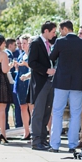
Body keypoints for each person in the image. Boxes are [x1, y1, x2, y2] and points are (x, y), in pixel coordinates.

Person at [47, 21, 82, 153]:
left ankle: (55, 145)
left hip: (61, 81)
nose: (60, 33)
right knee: (76, 113)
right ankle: (72, 145)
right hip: (77, 82)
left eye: (61, 30)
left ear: (65, 29)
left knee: (57, 112)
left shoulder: (60, 42)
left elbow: (52, 57)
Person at [29, 22, 57, 151]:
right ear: (46, 31)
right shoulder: (36, 43)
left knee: (46, 111)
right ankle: (35, 141)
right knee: (39, 112)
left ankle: (42, 139)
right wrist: (46, 70)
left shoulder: (49, 43)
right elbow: (32, 62)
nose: (54, 34)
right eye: (53, 32)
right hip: (41, 82)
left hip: (50, 81)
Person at [14, 34, 32, 140]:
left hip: (29, 82)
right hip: (21, 83)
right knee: (22, 107)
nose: (22, 45)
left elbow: (36, 68)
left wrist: (26, 65)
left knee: (31, 107)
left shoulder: (32, 55)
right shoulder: (21, 55)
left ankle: (34, 131)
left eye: (24, 43)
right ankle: (26, 131)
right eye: (21, 43)